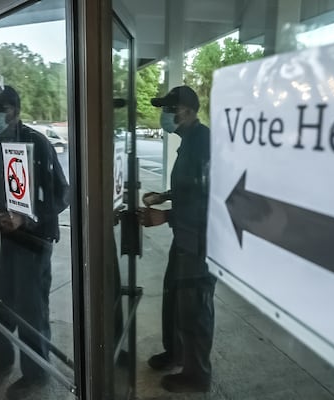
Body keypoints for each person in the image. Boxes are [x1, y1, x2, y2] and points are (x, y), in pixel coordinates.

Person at [0, 85, 69, 399]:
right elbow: (2, 189)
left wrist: (26, 218)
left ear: (14, 111)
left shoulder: (37, 143)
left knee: (32, 309)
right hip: (8, 239)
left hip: (34, 241)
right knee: (3, 302)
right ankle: (3, 359)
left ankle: (36, 373)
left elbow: (62, 194)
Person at [138, 86, 216, 393]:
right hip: (185, 236)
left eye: (169, 109)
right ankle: (176, 354)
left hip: (200, 242)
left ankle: (198, 374)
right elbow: (190, 187)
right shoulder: (188, 141)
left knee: (194, 305)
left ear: (187, 110)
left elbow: (209, 197)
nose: (164, 115)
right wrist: (163, 195)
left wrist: (166, 216)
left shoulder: (204, 143)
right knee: (175, 297)